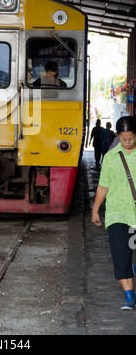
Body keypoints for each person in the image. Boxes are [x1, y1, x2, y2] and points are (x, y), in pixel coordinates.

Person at [91, 115, 136, 310]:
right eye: (124, 138)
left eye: (131, 137)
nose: (127, 142)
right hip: (118, 213)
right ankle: (130, 297)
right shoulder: (110, 157)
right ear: (118, 136)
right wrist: (95, 211)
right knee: (121, 257)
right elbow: (103, 186)